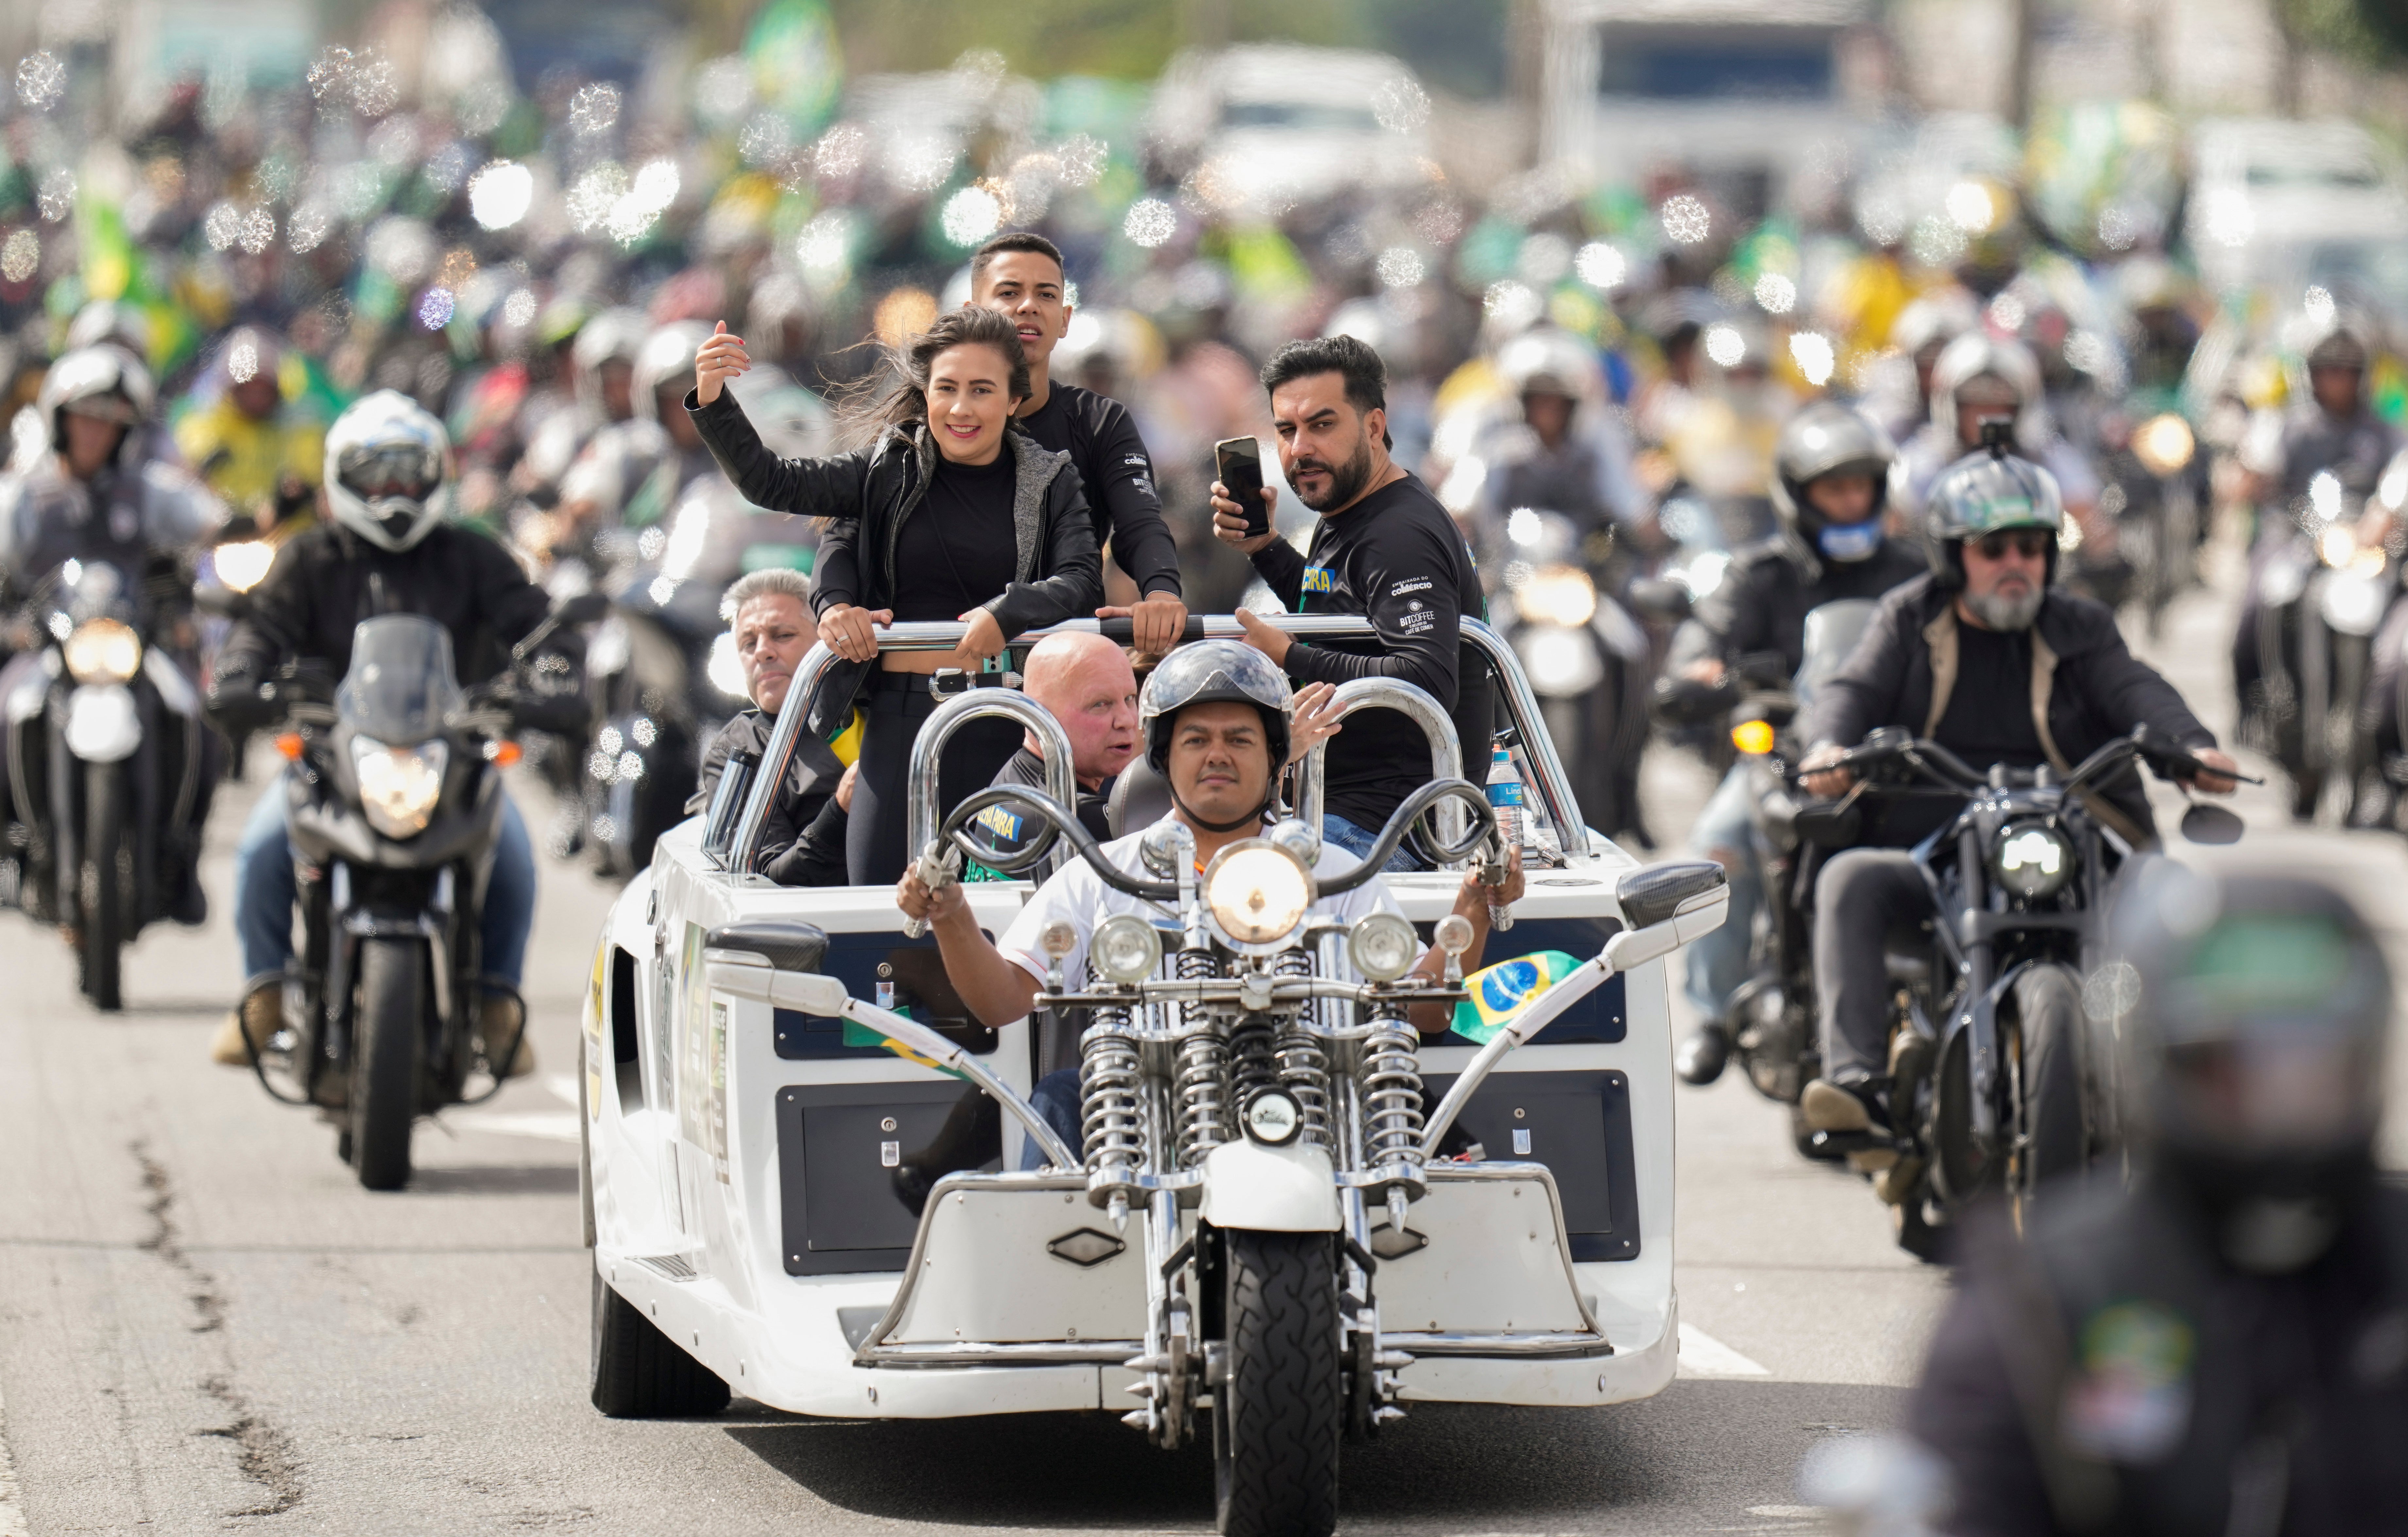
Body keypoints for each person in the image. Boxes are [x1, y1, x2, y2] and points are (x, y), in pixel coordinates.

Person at [1906, 867, 2408, 1534]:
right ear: (2156, 1058)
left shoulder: (2391, 1266)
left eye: (2315, 1068)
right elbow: (1967, 1500)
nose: (2281, 1108)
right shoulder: (2045, 1294)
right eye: (2235, 1071)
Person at [895, 640, 1524, 1161]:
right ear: (1164, 757)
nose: (1218, 754)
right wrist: (952, 915)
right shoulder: (1101, 872)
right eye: (1196, 739)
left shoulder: (1335, 871)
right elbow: (1002, 1000)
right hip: (1139, 1117)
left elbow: (1428, 1012)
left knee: (1397, 1099)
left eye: (1240, 740)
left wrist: (1473, 903)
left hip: (1315, 1109)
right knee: (1061, 1098)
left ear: (1276, 758)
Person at [1794, 446, 2237, 1141]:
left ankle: (2189, 1095)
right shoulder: (1908, 618)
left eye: (2031, 546)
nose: (2014, 563)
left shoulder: (2080, 627)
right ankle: (1858, 1084)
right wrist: (1829, 749)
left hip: (2076, 835)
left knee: (2172, 887)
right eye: (1992, 546)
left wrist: (2192, 748)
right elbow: (1851, 690)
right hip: (1932, 846)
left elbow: (2135, 688)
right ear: (1950, 555)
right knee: (1847, 877)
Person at [206, 391, 580, 1073]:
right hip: (330, 751)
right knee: (261, 848)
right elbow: (260, 629)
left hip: (454, 750)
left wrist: (555, 665)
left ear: (438, 474)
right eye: (375, 474)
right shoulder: (311, 557)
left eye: (409, 473)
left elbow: (533, 620)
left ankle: (497, 1002)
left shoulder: (472, 554)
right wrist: (239, 669)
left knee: (516, 859)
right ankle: (263, 994)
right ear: (339, 479)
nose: (393, 491)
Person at [688, 304, 1102, 885]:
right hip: (898, 724)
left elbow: (1082, 578)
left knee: (1005, 918)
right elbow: (771, 482)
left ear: (1013, 401)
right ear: (926, 395)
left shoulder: (1053, 478)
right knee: (883, 917)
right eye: (947, 389)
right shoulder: (887, 467)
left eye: (982, 390)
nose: (962, 408)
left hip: (1006, 721)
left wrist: (1008, 613)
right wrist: (712, 397)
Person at [1667, 401, 1926, 1082]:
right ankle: (1714, 1012)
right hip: (1781, 753)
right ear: (1796, 495)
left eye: (1859, 486)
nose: (1848, 502)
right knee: (1721, 844)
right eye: (1831, 488)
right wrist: (1700, 664)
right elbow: (1706, 634)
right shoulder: (1761, 574)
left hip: (1889, 752)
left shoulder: (1913, 571)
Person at [1212, 335, 1490, 871]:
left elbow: (1428, 678)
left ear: (1374, 427)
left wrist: (1291, 657)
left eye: (1322, 425)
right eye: (1287, 431)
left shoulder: (1398, 534)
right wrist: (1266, 548)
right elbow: (1338, 615)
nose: (1300, 450)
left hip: (1386, 833)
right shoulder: (1354, 509)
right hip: (1341, 809)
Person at [0, 345, 222, 922]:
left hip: (130, 647)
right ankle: (14, 848)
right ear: (59, 422)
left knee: (196, 719)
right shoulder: (25, 495)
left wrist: (259, 522)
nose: (96, 432)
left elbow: (211, 523)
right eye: (85, 418)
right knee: (8, 712)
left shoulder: (147, 490)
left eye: (110, 421)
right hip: (48, 649)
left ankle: (180, 855)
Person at [968, 232, 1187, 656]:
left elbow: (1140, 521)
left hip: (1061, 658)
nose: (1028, 306)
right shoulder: (924, 421)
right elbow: (851, 530)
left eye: (1045, 295)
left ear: (1065, 319)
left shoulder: (1102, 422)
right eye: (1009, 292)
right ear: (972, 312)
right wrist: (837, 605)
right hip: (937, 660)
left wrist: (1161, 591)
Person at [689, 567, 851, 887]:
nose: (763, 652)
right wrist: (841, 811)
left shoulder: (881, 714)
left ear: (826, 641)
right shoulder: (740, 750)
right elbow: (769, 881)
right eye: (749, 644)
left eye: (783, 636)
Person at [173, 327, 324, 538]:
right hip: (224, 533)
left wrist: (298, 489)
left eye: (264, 389)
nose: (256, 397)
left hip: (283, 536)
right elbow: (191, 461)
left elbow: (308, 470)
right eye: (248, 387)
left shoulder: (296, 428)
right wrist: (203, 466)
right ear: (231, 387)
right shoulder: (209, 423)